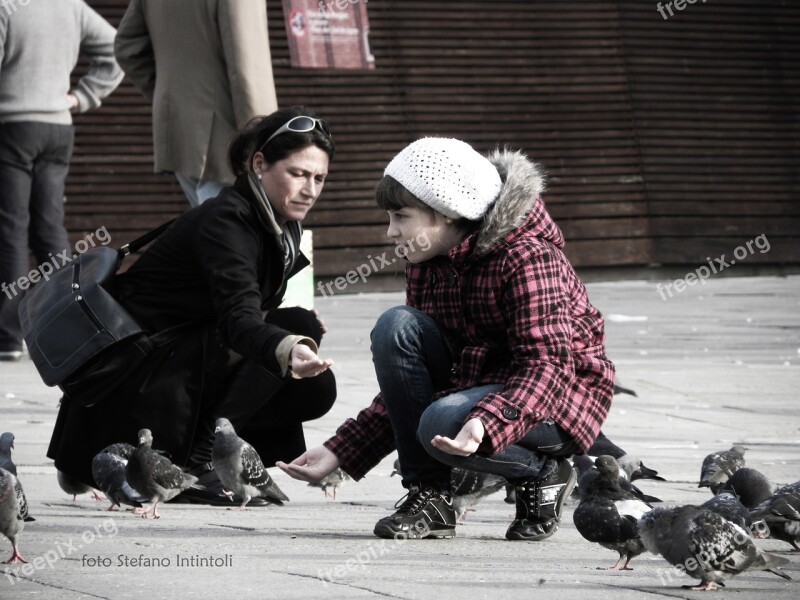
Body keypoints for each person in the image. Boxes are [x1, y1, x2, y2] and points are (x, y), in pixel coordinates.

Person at [279, 138, 615, 539]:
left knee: (439, 423)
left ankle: (544, 470)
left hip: (560, 397)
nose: (390, 231)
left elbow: (549, 367)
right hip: (479, 389)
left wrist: (487, 423)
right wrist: (340, 451)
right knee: (396, 325)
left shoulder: (526, 257)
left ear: (446, 212)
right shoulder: (427, 261)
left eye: (401, 216)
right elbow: (408, 387)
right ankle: (430, 499)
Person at [47, 106, 337, 505]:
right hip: (139, 373)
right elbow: (238, 320)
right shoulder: (229, 222)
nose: (310, 189)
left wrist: (291, 332)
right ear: (259, 164)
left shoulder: (274, 221)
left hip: (176, 357)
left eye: (319, 177)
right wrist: (287, 344)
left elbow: (243, 308)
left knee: (302, 341)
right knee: (289, 337)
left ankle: (215, 451)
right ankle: (197, 461)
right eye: (298, 173)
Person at [0, 0, 123, 362]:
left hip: (12, 126)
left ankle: (7, 337)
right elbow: (117, 47)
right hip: (57, 128)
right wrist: (82, 96)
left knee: (11, 228)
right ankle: (68, 328)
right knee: (50, 226)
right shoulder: (71, 5)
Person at [114, 0, 279, 207]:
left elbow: (126, 47)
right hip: (229, 140)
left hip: (181, 131)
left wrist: (171, 98)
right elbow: (247, 67)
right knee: (234, 234)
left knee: (209, 229)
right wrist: (267, 143)